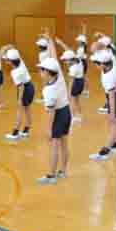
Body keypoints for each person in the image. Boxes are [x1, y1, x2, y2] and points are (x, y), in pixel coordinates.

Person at [36, 55, 72, 184]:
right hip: (67, 111)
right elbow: (53, 54)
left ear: (47, 72)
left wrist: (49, 130)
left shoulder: (49, 90)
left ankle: (51, 175)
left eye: (42, 70)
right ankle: (62, 171)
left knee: (54, 146)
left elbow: (51, 113)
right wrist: (50, 39)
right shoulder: (60, 76)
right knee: (64, 143)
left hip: (58, 115)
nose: (40, 72)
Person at [89, 47, 116, 161]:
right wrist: (100, 45)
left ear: (103, 65)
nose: (95, 65)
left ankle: (105, 151)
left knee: (113, 123)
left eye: (96, 63)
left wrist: (111, 113)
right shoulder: (112, 61)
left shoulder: (109, 77)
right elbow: (109, 50)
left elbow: (111, 97)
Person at [1, 46, 34, 141]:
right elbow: (12, 48)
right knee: (27, 109)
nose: (5, 61)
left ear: (11, 61)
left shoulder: (15, 72)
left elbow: (21, 87)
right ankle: (26, 130)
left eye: (7, 60)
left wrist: (19, 99)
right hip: (30, 86)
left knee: (19, 110)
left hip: (24, 89)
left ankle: (15, 133)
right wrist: (6, 48)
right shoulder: (20, 61)